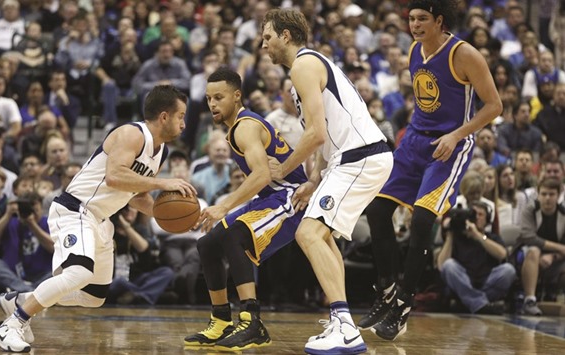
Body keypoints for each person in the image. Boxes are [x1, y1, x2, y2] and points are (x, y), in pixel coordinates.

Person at [0, 85, 197, 353]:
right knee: (78, 272)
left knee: (93, 297)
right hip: (75, 209)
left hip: (100, 219)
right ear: (164, 116)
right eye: (181, 116)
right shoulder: (131, 134)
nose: (184, 123)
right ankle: (11, 325)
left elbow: (136, 196)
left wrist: (174, 216)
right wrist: (163, 182)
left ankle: (23, 299)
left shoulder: (161, 152)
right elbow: (114, 176)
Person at [361, 0, 503, 341]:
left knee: (424, 219)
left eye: (422, 19)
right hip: (415, 140)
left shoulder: (464, 54)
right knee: (378, 211)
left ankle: (404, 305)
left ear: (439, 21)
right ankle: (387, 292)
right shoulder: (413, 50)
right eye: (411, 19)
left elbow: (494, 105)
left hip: (450, 145)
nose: (414, 24)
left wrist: (455, 135)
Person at [262, 9, 394, 354]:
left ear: (286, 36)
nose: (264, 46)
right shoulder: (305, 71)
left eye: (268, 37)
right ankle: (342, 323)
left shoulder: (304, 65)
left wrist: (284, 167)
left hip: (360, 156)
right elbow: (325, 132)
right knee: (322, 235)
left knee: (308, 233)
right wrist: (313, 179)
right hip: (349, 158)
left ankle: (345, 327)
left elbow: (316, 134)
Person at [183, 67, 308, 351]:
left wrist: (224, 205)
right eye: (209, 98)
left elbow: (262, 175)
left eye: (219, 97)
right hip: (268, 197)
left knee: (232, 236)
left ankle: (252, 321)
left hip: (291, 198)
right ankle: (221, 319)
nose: (213, 104)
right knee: (207, 245)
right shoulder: (235, 129)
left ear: (237, 96)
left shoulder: (245, 126)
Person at [437, 201, 516, 314]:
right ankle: (480, 305)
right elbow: (442, 265)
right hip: (463, 281)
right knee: (449, 266)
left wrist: (477, 235)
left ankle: (468, 303)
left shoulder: (491, 237)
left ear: (487, 219)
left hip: (486, 281)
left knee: (509, 270)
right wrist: (450, 235)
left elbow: (502, 254)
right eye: (474, 214)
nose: (477, 217)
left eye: (480, 214)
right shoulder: (458, 238)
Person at [517, 178, 565, 315]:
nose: (547, 198)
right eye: (544, 194)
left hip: (555, 259)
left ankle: (553, 292)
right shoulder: (530, 210)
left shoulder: (563, 214)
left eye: (551, 194)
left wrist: (553, 255)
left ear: (558, 195)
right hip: (527, 256)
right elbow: (528, 237)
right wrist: (559, 248)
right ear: (538, 194)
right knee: (534, 251)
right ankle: (530, 300)